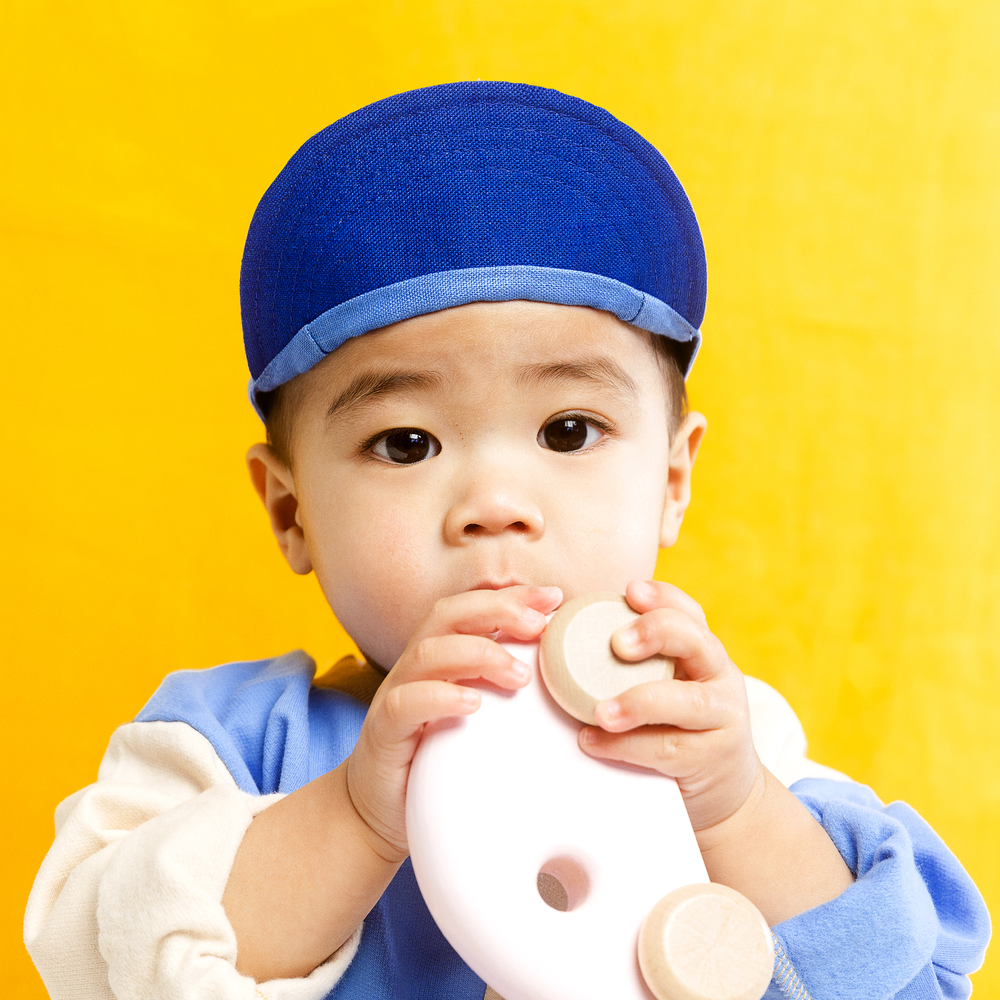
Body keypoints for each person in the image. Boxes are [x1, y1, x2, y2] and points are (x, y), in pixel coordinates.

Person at [24, 81, 989, 1000]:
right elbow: (94, 959)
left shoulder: (720, 742)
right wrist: (356, 815)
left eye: (568, 431)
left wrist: (735, 809)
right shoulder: (230, 744)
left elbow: (909, 981)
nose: (495, 504)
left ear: (670, 480)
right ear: (291, 512)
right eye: (406, 444)